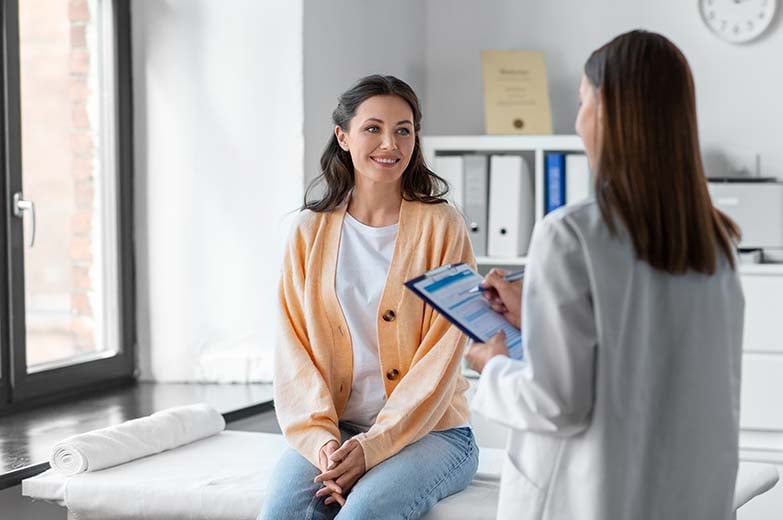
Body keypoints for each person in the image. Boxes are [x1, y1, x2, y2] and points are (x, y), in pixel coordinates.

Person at [465, 30, 745, 519]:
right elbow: (645, 354)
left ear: (609, 109)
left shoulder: (569, 234)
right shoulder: (714, 242)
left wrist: (492, 366)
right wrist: (535, 320)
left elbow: (557, 403)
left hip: (594, 499)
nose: (577, 123)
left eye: (581, 102)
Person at [259, 75, 478, 520]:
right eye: (373, 128)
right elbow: (293, 351)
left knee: (363, 514)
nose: (389, 143)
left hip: (434, 434)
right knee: (282, 513)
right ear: (343, 137)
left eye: (403, 129)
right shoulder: (308, 231)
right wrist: (326, 447)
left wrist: (373, 447)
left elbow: (444, 354)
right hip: (332, 432)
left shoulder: (444, 227)